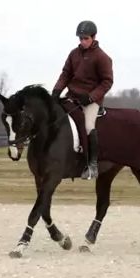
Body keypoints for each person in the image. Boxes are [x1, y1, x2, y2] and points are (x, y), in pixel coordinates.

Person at [52, 20, 113, 180]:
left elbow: (107, 82)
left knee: (88, 126)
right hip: (73, 96)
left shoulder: (102, 57)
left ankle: (92, 165)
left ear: (93, 37)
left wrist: (92, 97)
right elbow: (66, 74)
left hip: (91, 101)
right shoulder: (74, 54)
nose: (83, 41)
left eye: (86, 38)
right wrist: (57, 90)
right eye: (80, 38)